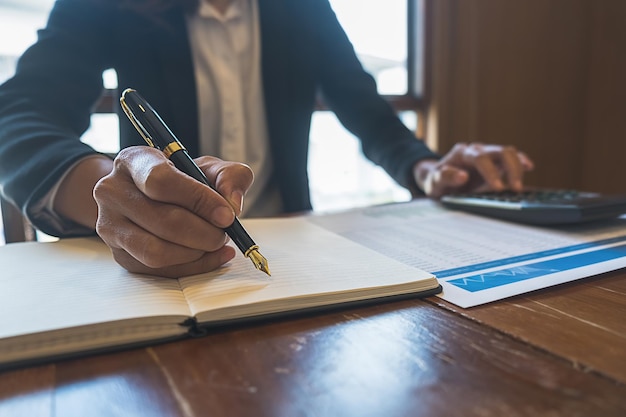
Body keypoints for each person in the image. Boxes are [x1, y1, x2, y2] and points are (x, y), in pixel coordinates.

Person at [0, 0, 533, 277]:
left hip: (296, 255)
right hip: (156, 270)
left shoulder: (301, 6)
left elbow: (367, 112)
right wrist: (119, 184)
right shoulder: (104, 7)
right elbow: (15, 119)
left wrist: (428, 168)